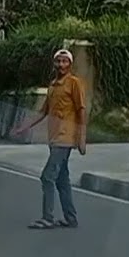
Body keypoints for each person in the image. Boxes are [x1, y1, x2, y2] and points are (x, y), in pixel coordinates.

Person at [16, 49, 86, 229]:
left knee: (47, 177)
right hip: (54, 138)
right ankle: (71, 218)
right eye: (58, 61)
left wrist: (82, 137)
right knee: (62, 180)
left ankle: (48, 218)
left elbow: (81, 110)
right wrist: (25, 126)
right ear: (54, 64)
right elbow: (43, 112)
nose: (61, 65)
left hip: (65, 138)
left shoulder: (74, 83)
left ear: (70, 64)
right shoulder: (53, 85)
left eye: (65, 61)